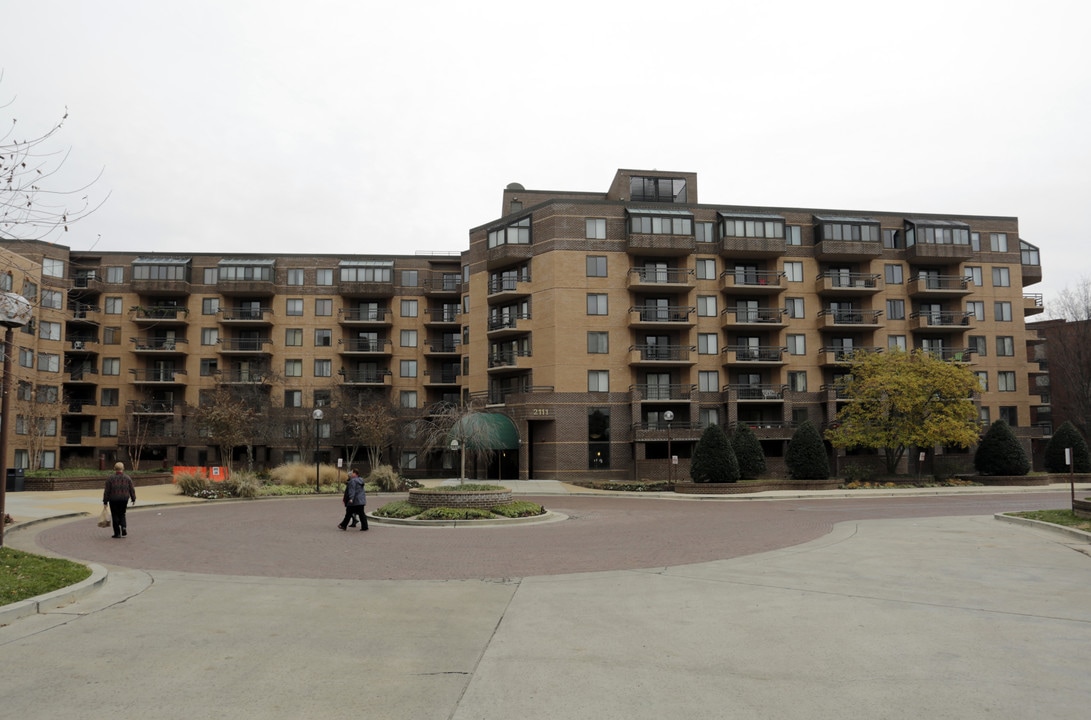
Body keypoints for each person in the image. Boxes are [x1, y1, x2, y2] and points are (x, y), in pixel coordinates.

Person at [103, 462, 136, 538]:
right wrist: (133, 498)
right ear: (123, 468)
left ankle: (117, 533)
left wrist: (105, 501)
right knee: (122, 513)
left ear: (114, 469)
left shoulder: (110, 478)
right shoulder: (127, 478)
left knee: (115, 514)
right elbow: (132, 489)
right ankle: (123, 527)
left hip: (113, 499)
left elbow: (107, 491)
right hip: (124, 499)